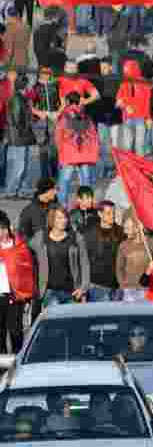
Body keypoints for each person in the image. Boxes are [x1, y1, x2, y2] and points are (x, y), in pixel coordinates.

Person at [30, 207, 90, 308]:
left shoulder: (76, 238)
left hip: (71, 292)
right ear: (52, 219)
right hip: (49, 292)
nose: (64, 220)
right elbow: (26, 253)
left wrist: (83, 288)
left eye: (65, 217)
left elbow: (85, 264)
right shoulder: (41, 237)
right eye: (59, 218)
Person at [54, 94, 99, 208]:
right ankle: (87, 204)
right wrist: (93, 154)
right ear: (79, 101)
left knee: (64, 181)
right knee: (85, 181)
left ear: (68, 101)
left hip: (69, 154)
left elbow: (58, 135)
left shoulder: (64, 116)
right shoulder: (87, 116)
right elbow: (94, 136)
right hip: (84, 155)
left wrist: (60, 150)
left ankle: (62, 205)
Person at [0, 211, 33, 354]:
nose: (1, 232)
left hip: (14, 296)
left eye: (3, 228)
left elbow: (27, 271)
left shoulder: (19, 246)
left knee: (15, 332)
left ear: (9, 228)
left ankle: (17, 360)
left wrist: (27, 295)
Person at [2, 69, 35, 199]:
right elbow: (16, 119)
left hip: (21, 136)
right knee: (18, 165)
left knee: (22, 164)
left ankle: (20, 190)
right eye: (27, 85)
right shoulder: (17, 99)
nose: (28, 87)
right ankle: (11, 190)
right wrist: (25, 131)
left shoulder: (21, 98)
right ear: (23, 85)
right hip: (18, 137)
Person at [82, 200, 124, 302]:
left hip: (117, 286)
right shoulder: (89, 234)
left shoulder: (121, 232)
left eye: (113, 213)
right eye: (108, 213)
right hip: (97, 287)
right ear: (100, 214)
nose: (112, 216)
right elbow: (83, 261)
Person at [115, 213, 149, 302]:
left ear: (138, 228)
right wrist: (123, 285)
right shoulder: (123, 245)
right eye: (124, 228)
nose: (125, 232)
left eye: (128, 228)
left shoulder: (151, 244)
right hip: (128, 291)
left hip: (146, 290)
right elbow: (119, 268)